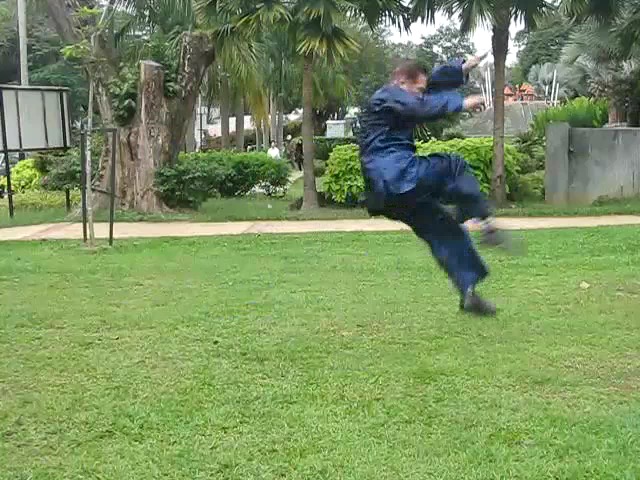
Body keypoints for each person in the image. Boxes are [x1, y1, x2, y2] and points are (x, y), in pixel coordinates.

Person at [358, 56, 510, 316]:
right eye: (417, 90)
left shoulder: (400, 95)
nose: (421, 94)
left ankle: (469, 292)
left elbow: (427, 89)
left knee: (444, 229)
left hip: (391, 193)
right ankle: (484, 221)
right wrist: (461, 103)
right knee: (452, 166)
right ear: (401, 81)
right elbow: (421, 106)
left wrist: (460, 69)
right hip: (396, 175)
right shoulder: (387, 94)